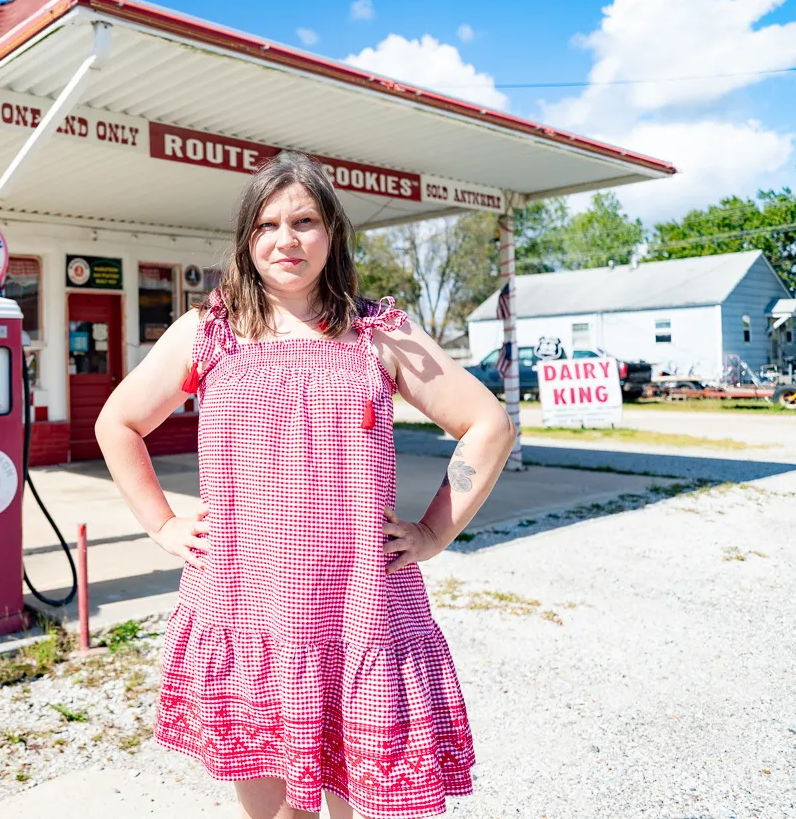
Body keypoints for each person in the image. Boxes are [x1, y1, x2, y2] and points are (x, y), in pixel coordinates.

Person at [95, 152, 515, 819]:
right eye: (267, 224)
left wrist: (435, 531)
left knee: (348, 804)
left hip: (355, 607)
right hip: (246, 603)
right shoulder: (207, 334)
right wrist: (164, 523)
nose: (285, 239)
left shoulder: (381, 334)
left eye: (304, 220)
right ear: (247, 240)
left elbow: (488, 424)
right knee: (272, 811)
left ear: (332, 234)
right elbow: (118, 422)